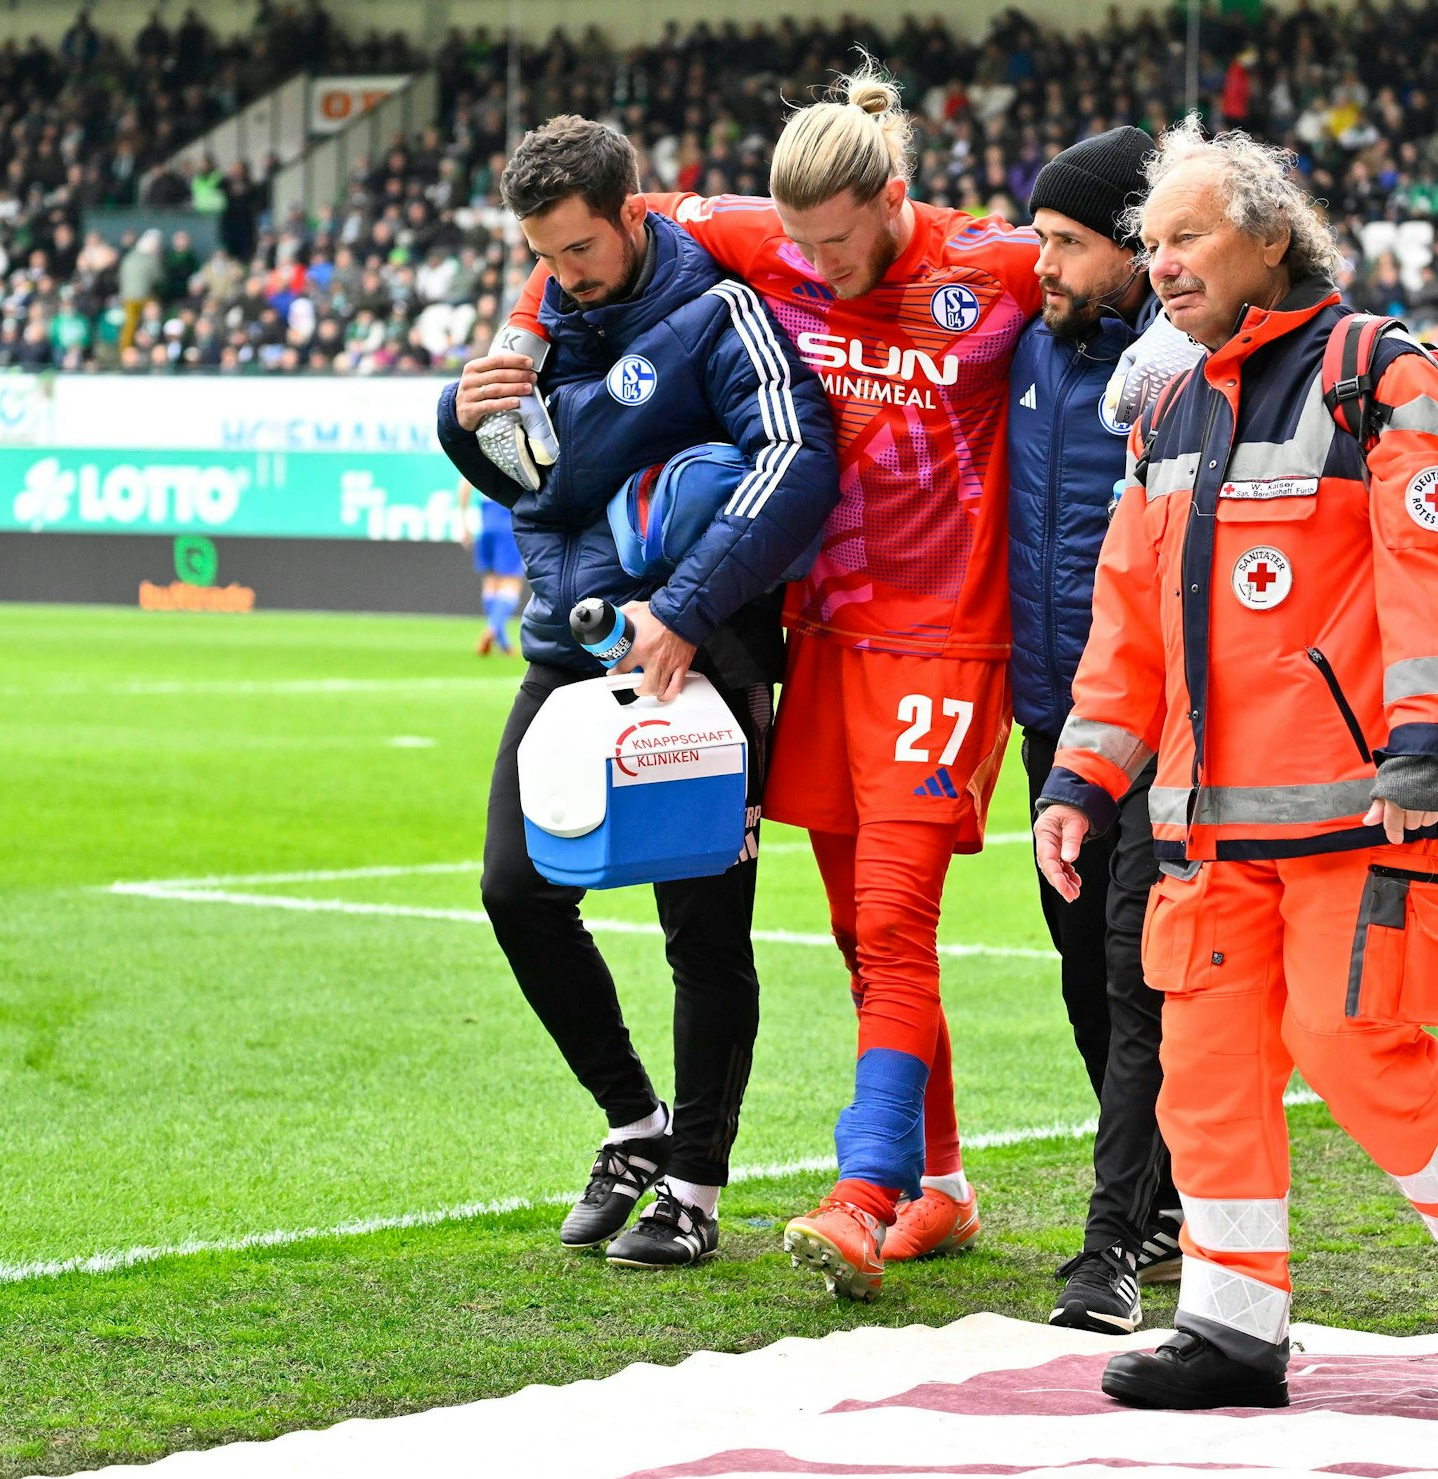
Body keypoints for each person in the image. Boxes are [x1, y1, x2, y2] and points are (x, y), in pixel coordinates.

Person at [507, 62, 1045, 1300]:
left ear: (894, 197)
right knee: (863, 937)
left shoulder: (994, 267)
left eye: (840, 244)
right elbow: (581, 244)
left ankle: (863, 1191)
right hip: (825, 643)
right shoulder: (752, 236)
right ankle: (944, 1191)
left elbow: (1114, 263)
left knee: (898, 925)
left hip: (950, 639)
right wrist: (516, 339)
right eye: (797, 243)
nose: (815, 265)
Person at [1033, 120, 1438, 1411]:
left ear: (1270, 237)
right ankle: (1234, 1325)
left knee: (1353, 1039)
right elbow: (1127, 623)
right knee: (1205, 1075)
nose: (1162, 267)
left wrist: (1435, 744)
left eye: (1187, 239)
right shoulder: (1163, 408)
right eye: (1149, 247)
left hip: (1359, 805)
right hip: (1206, 827)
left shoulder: (1382, 373)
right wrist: (1082, 778)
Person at [438, 115, 838, 1269]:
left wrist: (688, 610)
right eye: (541, 254)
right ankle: (634, 1124)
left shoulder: (721, 313)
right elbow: (539, 487)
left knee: (702, 935)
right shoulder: (542, 324)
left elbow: (795, 457)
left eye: (577, 249)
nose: (560, 274)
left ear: (632, 212)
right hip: (567, 656)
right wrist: (462, 420)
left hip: (695, 661)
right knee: (516, 892)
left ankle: (696, 1189)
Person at [1007, 126, 1182, 1336]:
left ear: (1136, 247)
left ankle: (1117, 1231)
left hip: (1159, 734)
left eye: (1066, 243)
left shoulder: (1189, 367)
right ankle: (1160, 1194)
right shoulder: (1025, 347)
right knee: (1083, 972)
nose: (1044, 265)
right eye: (1037, 239)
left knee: (1134, 979)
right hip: (1046, 723)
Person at [455, 477, 523, 655]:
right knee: (511, 583)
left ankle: (503, 642)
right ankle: (492, 630)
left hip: (487, 524)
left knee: (491, 583)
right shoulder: (511, 457)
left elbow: (464, 485)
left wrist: (463, 522)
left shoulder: (480, 454)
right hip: (509, 522)